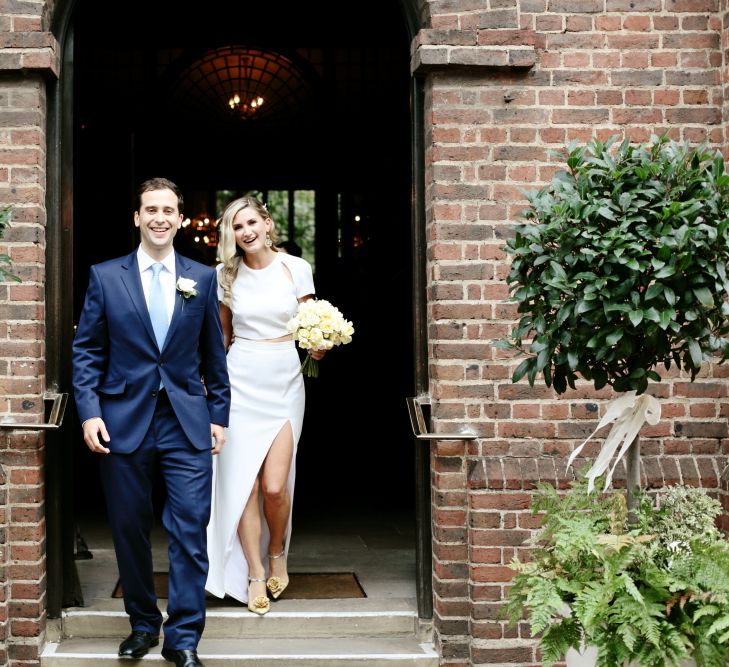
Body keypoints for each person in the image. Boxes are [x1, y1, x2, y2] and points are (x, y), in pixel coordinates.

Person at [72, 177, 231, 667]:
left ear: (181, 219)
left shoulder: (201, 278)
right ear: (137, 218)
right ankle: (142, 625)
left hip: (186, 420)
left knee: (189, 528)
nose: (160, 218)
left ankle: (183, 638)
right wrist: (90, 412)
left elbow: (213, 355)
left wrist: (218, 414)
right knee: (129, 529)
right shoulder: (105, 276)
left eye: (169, 210)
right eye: (151, 210)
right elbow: (87, 352)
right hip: (123, 421)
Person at [205, 197, 324, 615]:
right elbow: (221, 337)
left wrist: (320, 346)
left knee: (275, 486)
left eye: (251, 222)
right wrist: (207, 386)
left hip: (285, 379)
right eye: (237, 227)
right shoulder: (224, 274)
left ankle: (277, 550)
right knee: (245, 484)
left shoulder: (296, 267)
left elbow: (313, 326)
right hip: (239, 380)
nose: (246, 232)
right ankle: (255, 572)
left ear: (267, 223)